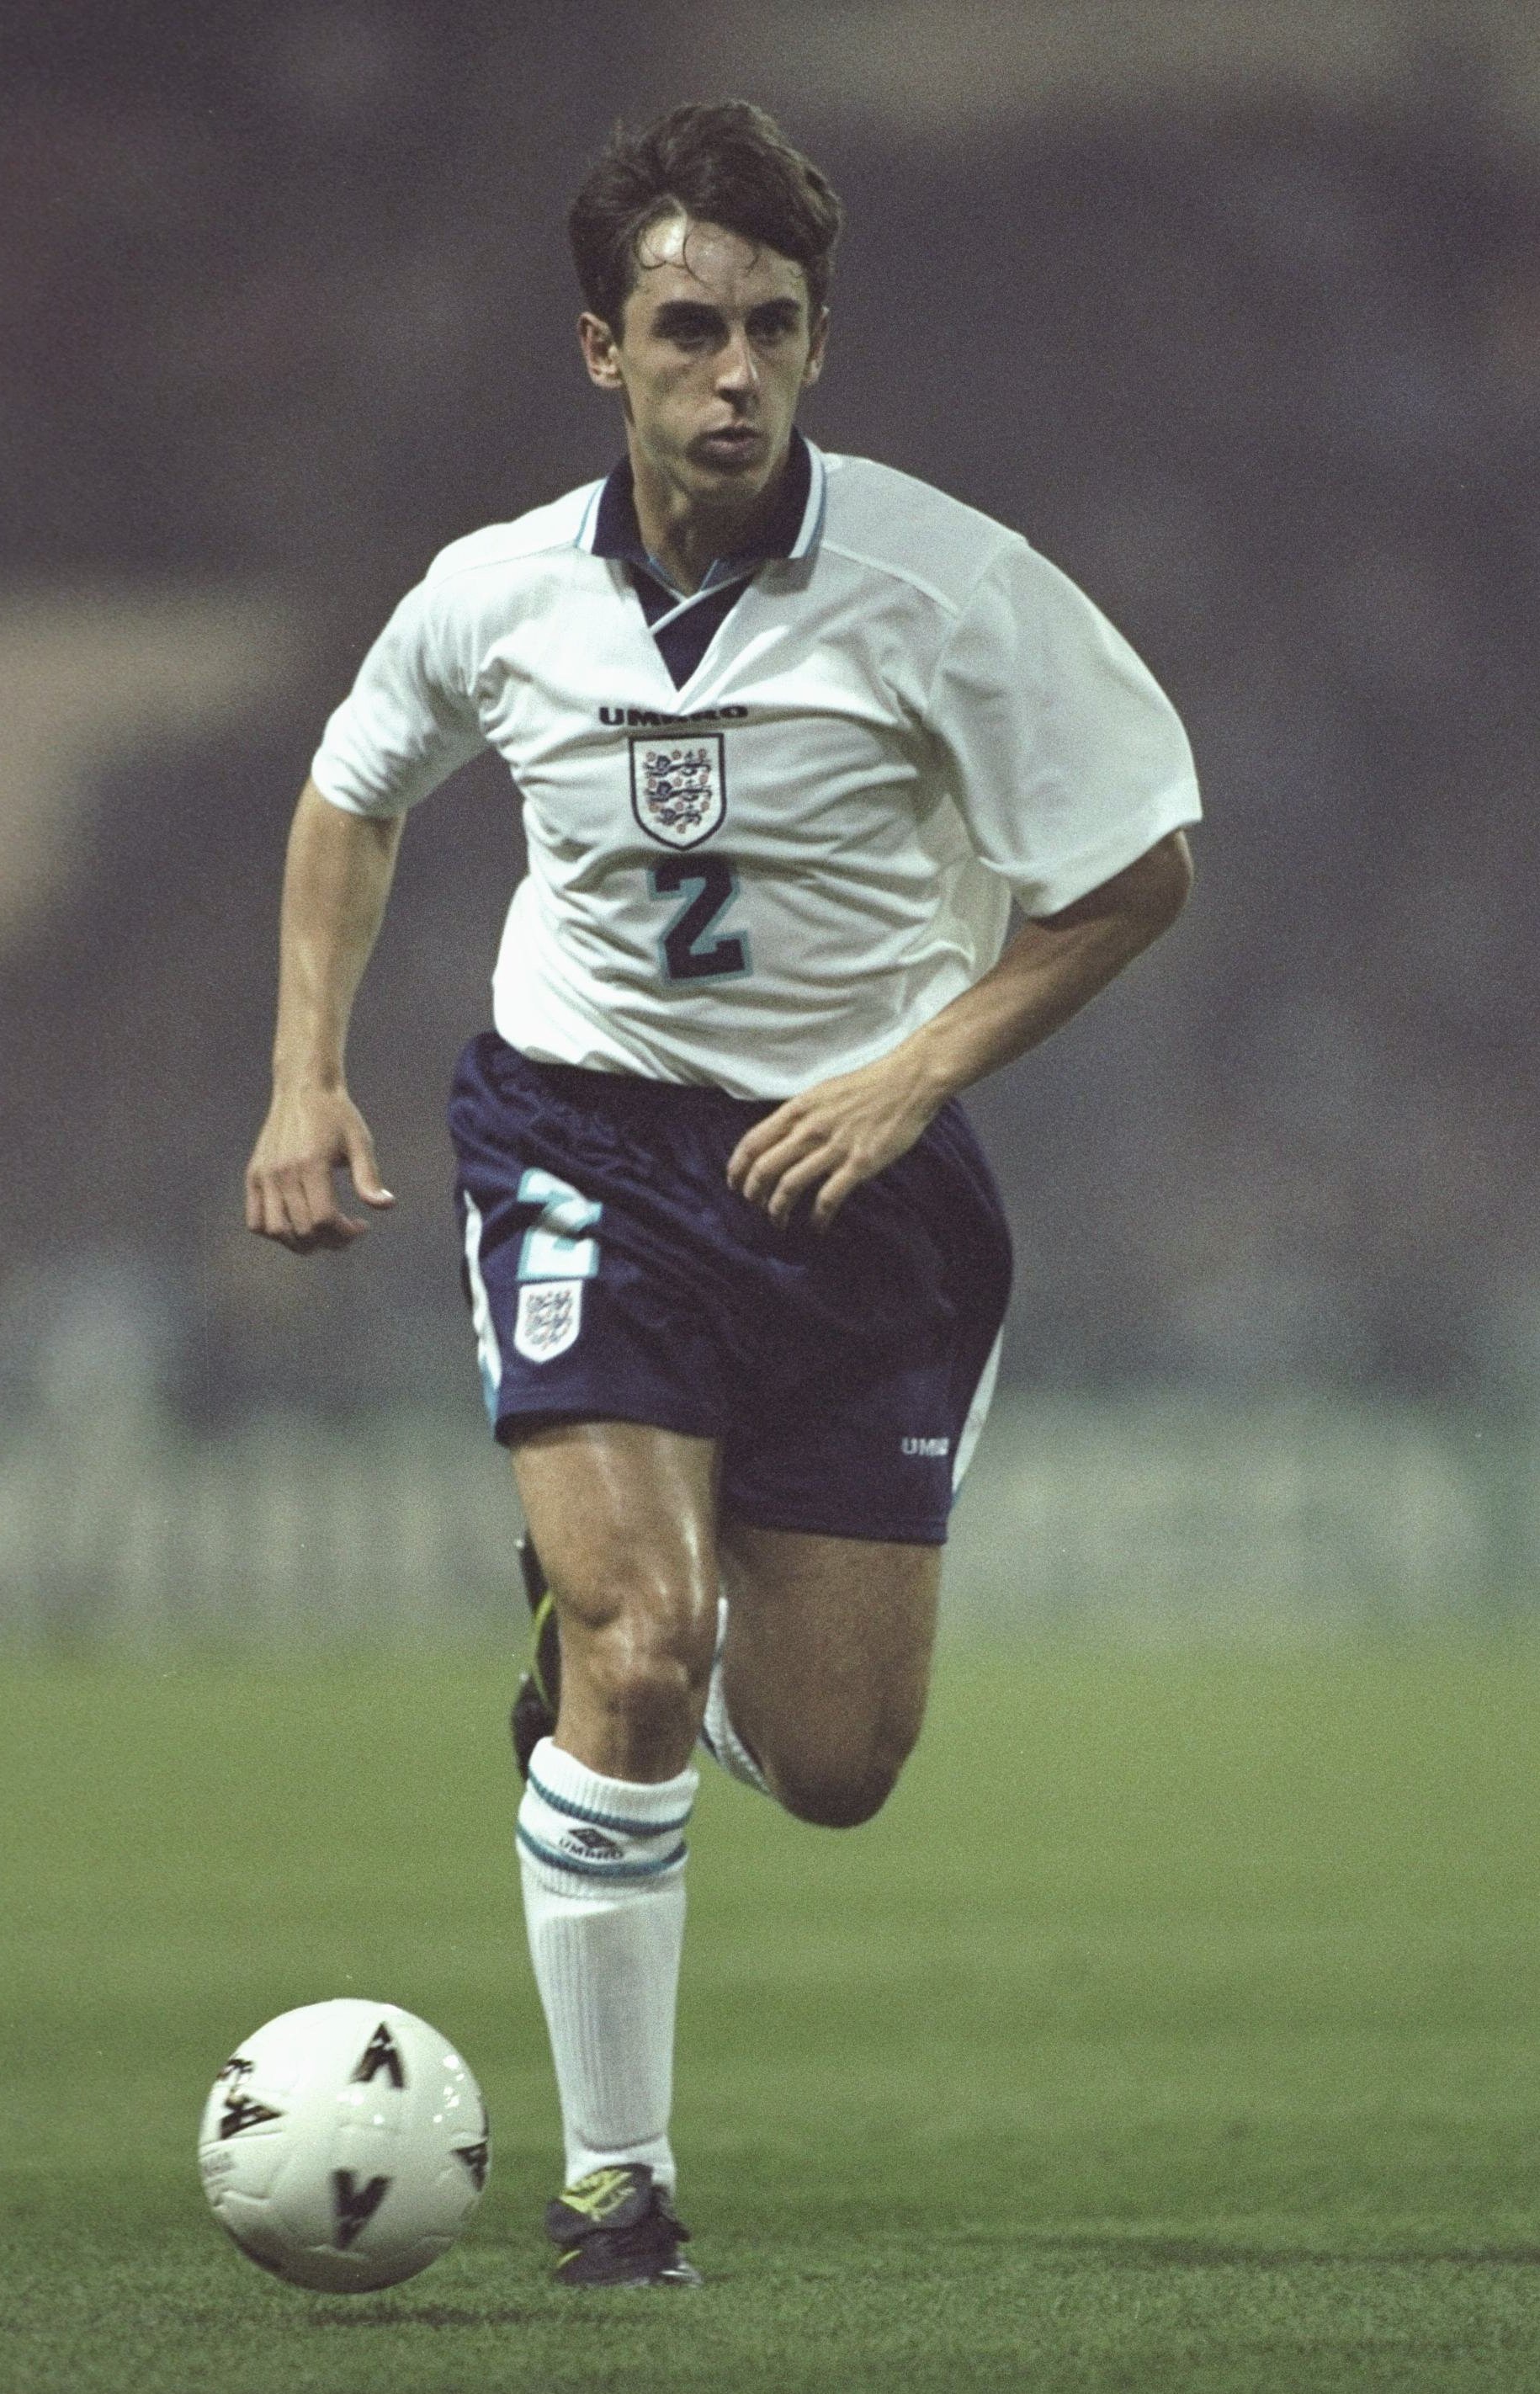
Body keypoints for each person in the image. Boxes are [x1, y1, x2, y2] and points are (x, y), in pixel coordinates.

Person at [244, 98, 1199, 2290]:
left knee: (842, 1758)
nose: (734, 371)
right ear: (604, 346)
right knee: (650, 1646)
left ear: (821, 338)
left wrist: (916, 1063)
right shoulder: (496, 595)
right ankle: (617, 2186)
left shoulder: (955, 591)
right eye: (688, 328)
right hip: (584, 1140)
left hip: (871, 1173)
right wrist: (304, 1076)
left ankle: (603, 1675)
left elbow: (1139, 866)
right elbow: (350, 786)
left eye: (773, 325)